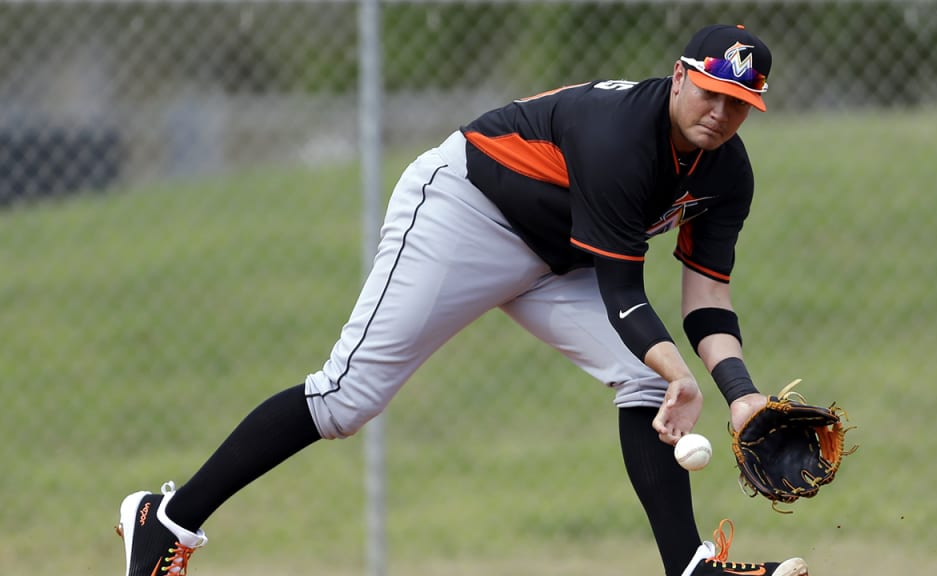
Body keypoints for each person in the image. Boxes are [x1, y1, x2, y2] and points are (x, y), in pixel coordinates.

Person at [117, 24, 809, 576]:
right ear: (681, 76)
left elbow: (707, 298)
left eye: (740, 104)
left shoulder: (728, 174)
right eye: (710, 91)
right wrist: (680, 373)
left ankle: (690, 568)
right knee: (345, 398)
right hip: (468, 211)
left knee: (640, 377)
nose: (719, 113)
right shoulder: (622, 135)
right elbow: (623, 292)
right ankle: (166, 521)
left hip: (560, 253)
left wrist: (740, 393)